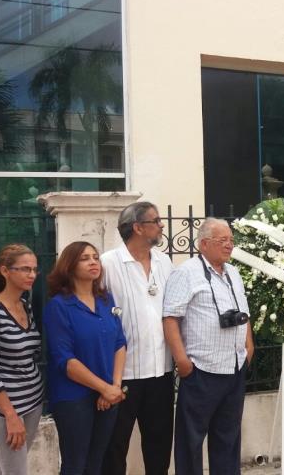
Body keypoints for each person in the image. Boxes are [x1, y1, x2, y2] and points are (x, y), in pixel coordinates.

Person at [163, 218, 254, 475]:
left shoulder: (233, 273)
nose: (229, 245)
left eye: (231, 240)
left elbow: (244, 313)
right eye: (222, 240)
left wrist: (249, 347)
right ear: (203, 244)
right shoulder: (187, 272)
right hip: (202, 369)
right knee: (190, 440)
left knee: (228, 437)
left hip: (234, 367)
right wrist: (182, 360)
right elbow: (170, 317)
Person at [101, 202, 175, 475]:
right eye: (156, 221)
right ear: (138, 227)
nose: (161, 225)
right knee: (115, 445)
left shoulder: (164, 261)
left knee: (159, 444)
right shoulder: (109, 263)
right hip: (124, 373)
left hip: (161, 371)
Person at [45, 241, 127, 475]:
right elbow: (65, 360)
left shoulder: (106, 300)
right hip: (73, 398)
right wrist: (104, 388)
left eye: (95, 257)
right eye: (84, 258)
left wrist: (114, 386)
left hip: (108, 394)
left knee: (96, 463)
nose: (93, 262)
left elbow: (120, 343)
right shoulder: (59, 306)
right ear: (69, 266)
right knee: (75, 464)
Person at [0, 244, 44, 475]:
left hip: (33, 401)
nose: (32, 275)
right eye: (25, 269)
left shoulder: (25, 306)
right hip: (6, 409)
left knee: (9, 469)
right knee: (17, 471)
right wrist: (10, 415)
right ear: (5, 271)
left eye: (34, 269)